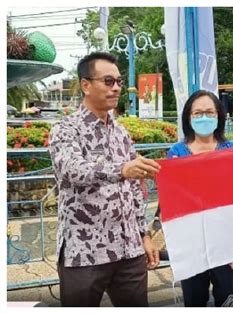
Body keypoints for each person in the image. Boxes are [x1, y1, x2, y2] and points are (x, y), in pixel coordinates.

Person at [48, 52, 161, 307]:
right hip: (85, 252)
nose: (117, 87)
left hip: (129, 251)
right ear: (86, 85)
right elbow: (72, 170)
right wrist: (121, 169)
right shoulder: (66, 129)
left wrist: (143, 234)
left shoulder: (121, 132)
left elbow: (134, 189)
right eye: (108, 81)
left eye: (119, 81)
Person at [167, 90, 233, 307]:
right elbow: (173, 198)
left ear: (219, 116)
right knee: (194, 299)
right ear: (188, 118)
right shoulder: (176, 152)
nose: (204, 117)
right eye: (198, 113)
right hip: (191, 242)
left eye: (209, 112)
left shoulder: (232, 151)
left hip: (226, 242)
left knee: (229, 299)